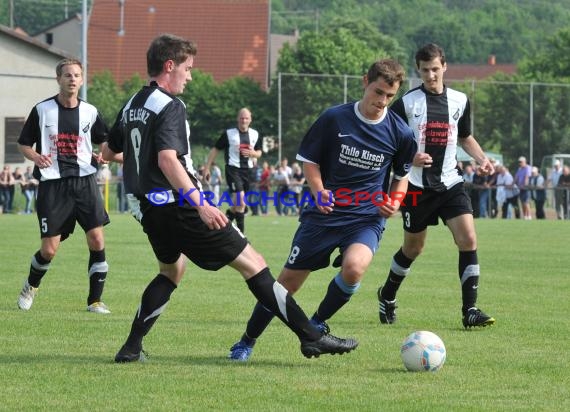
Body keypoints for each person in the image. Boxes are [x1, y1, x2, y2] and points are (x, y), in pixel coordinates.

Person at [102, 33, 357, 363]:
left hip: (150, 209)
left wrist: (139, 159)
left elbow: (108, 151)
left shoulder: (133, 103)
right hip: (180, 206)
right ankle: (310, 337)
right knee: (255, 265)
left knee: (170, 271)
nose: (190, 77)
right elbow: (167, 159)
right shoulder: (170, 105)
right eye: (188, 69)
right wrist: (202, 204)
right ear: (169, 66)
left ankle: (131, 348)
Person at [227, 58, 417, 361]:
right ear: (364, 81)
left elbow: (402, 178)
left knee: (354, 268)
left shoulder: (401, 133)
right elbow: (310, 161)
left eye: (389, 96)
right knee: (286, 284)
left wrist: (394, 202)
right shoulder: (334, 119)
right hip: (324, 215)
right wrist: (318, 190)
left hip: (365, 217)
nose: (381, 102)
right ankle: (246, 341)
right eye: (378, 92)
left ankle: (317, 324)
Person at [376, 43, 496, 329]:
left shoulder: (459, 100)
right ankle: (387, 293)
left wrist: (482, 159)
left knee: (468, 238)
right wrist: (410, 156)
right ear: (419, 70)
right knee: (413, 249)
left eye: (435, 69)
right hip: (415, 188)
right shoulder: (406, 103)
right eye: (425, 70)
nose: (431, 75)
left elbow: (465, 136)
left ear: (444, 66)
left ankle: (470, 310)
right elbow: (387, 140)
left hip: (451, 183)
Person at [16, 58, 111, 314]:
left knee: (97, 238)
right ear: (58, 79)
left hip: (85, 182)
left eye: (77, 75)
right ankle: (31, 286)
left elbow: (104, 143)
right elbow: (24, 144)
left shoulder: (90, 112)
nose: (72, 79)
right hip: (52, 183)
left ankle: (95, 301)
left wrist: (102, 155)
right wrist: (35, 156)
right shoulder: (42, 110)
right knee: (49, 249)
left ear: (81, 80)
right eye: (67, 75)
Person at [203, 107, 262, 234]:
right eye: (241, 118)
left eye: (246, 118)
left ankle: (227, 218)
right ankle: (241, 235)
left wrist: (253, 153)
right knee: (241, 202)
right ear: (237, 119)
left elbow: (259, 152)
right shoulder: (229, 134)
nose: (244, 120)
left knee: (239, 206)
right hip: (233, 169)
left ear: (250, 120)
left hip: (249, 171)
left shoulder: (255, 134)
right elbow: (215, 149)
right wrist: (207, 168)